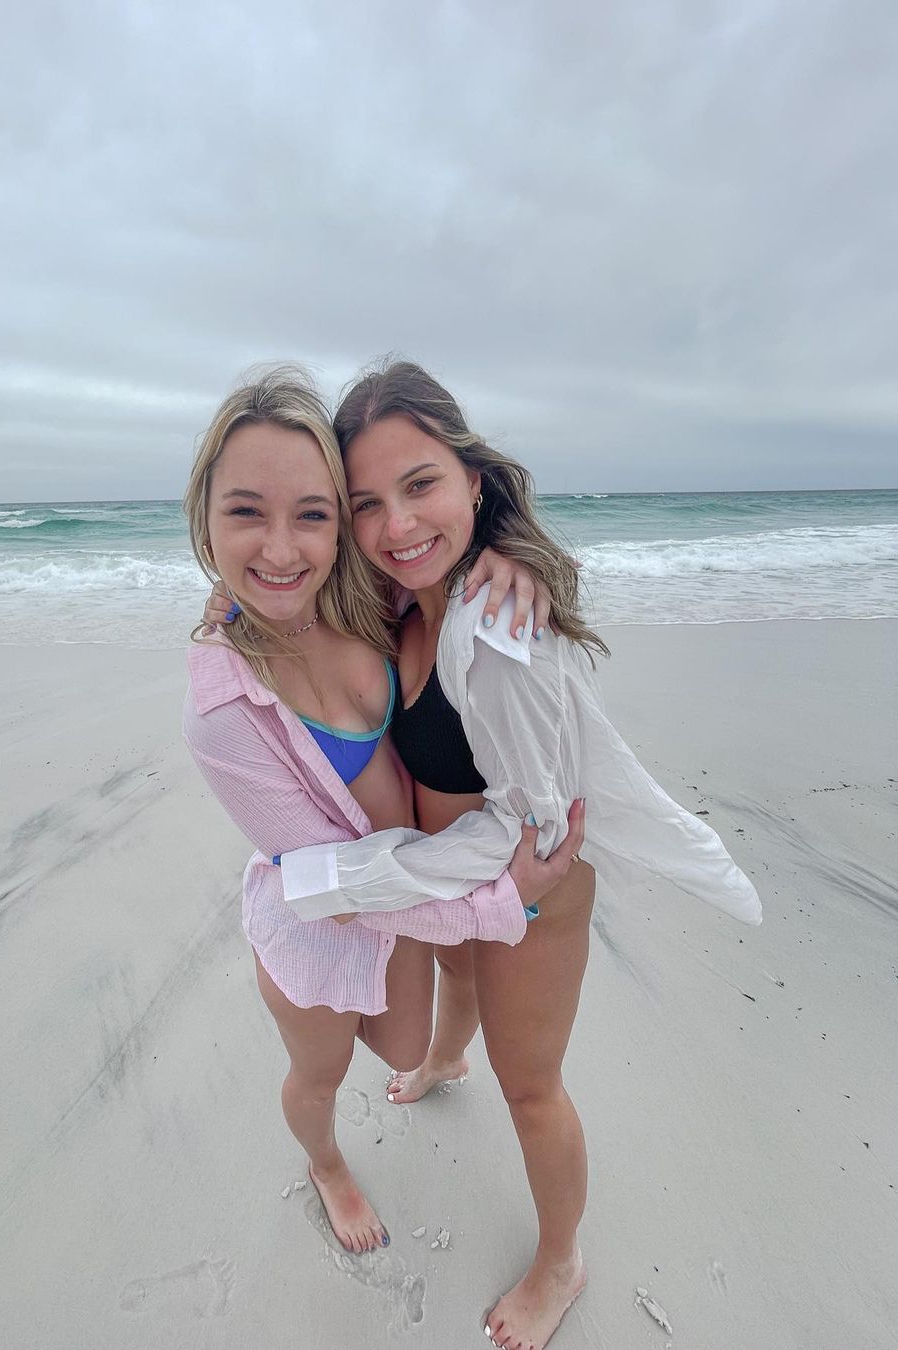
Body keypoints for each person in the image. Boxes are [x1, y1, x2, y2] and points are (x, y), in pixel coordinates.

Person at [273, 360, 762, 1350]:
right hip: (461, 883)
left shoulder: (499, 634)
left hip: (528, 887)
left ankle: (561, 1261)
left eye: (420, 485)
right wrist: (231, 610)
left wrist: (364, 881)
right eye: (366, 503)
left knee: (532, 1089)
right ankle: (445, 1055)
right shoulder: (403, 598)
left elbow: (534, 831)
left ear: (474, 479)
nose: (397, 524)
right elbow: (288, 596)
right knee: (457, 972)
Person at [181, 366, 585, 1260]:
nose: (281, 547)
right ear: (203, 518)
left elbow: (429, 548)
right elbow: (330, 887)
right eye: (245, 512)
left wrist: (510, 554)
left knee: (445, 1024)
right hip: (331, 914)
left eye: (313, 514)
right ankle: (327, 1164)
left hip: (433, 878)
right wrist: (496, 901)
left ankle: (452, 1069)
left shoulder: (367, 599)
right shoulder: (225, 711)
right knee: (320, 1075)